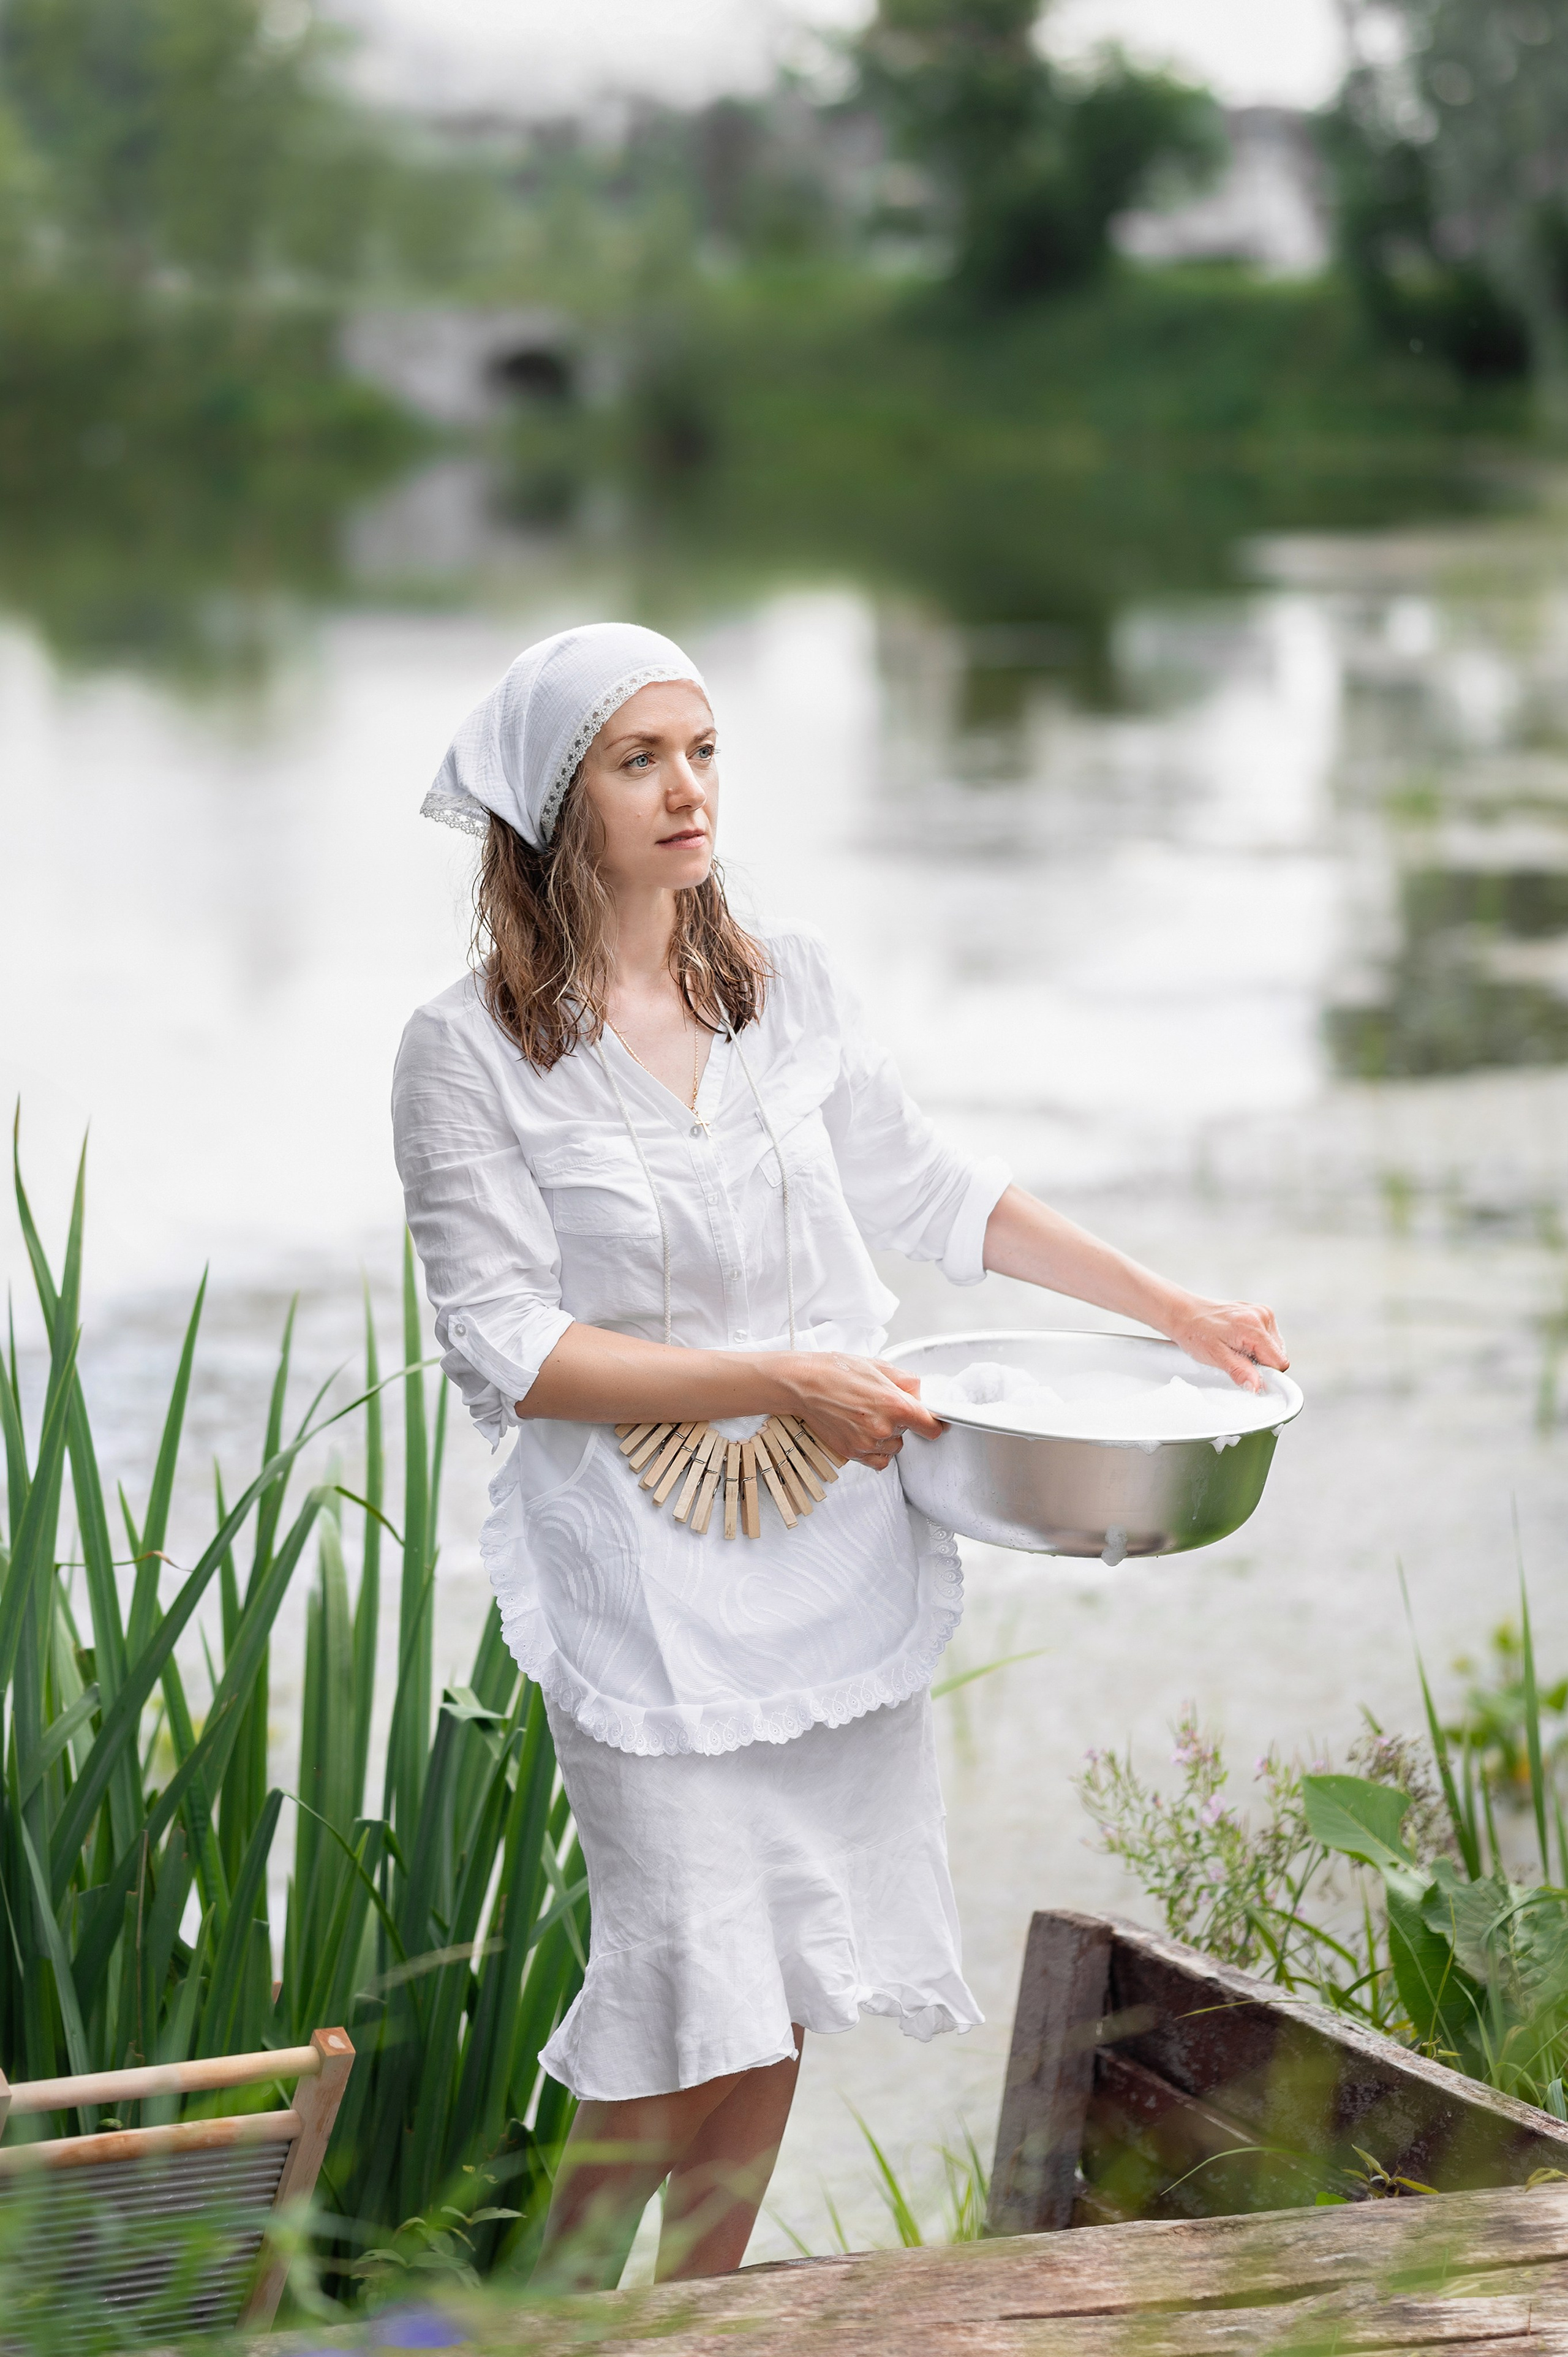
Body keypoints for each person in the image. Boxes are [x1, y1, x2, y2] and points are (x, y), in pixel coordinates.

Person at [393, 622, 1287, 2288]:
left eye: (705, 750)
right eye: (637, 758)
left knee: (783, 1959)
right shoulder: (466, 1053)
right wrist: (771, 1377)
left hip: (830, 1544)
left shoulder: (785, 986)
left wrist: (1171, 1305)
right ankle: (567, 2320)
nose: (687, 790)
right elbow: (509, 1345)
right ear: (549, 800)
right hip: (636, 1572)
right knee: (681, 1952)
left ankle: (706, 2311)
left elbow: (939, 1193)